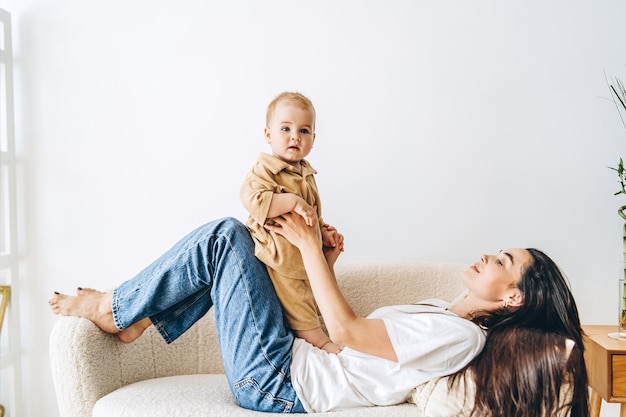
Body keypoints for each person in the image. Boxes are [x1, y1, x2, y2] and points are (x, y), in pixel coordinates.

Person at [49, 214, 588, 416]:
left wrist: (309, 250)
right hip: (293, 360)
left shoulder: (460, 339)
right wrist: (325, 261)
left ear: (513, 298)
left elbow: (345, 331)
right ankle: (141, 319)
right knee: (247, 246)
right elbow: (345, 344)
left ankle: (116, 309)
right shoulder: (439, 312)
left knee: (226, 236)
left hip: (281, 384)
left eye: (503, 261)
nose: (488, 255)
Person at [240, 91, 344, 354]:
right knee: (297, 302)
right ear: (268, 134)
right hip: (276, 257)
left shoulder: (306, 174)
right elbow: (253, 198)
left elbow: (312, 215)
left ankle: (329, 333)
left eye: (304, 130)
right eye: (285, 128)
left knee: (312, 296)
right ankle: (318, 341)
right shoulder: (265, 169)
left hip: (302, 257)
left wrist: (323, 232)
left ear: (313, 139)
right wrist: (291, 201)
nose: (295, 136)